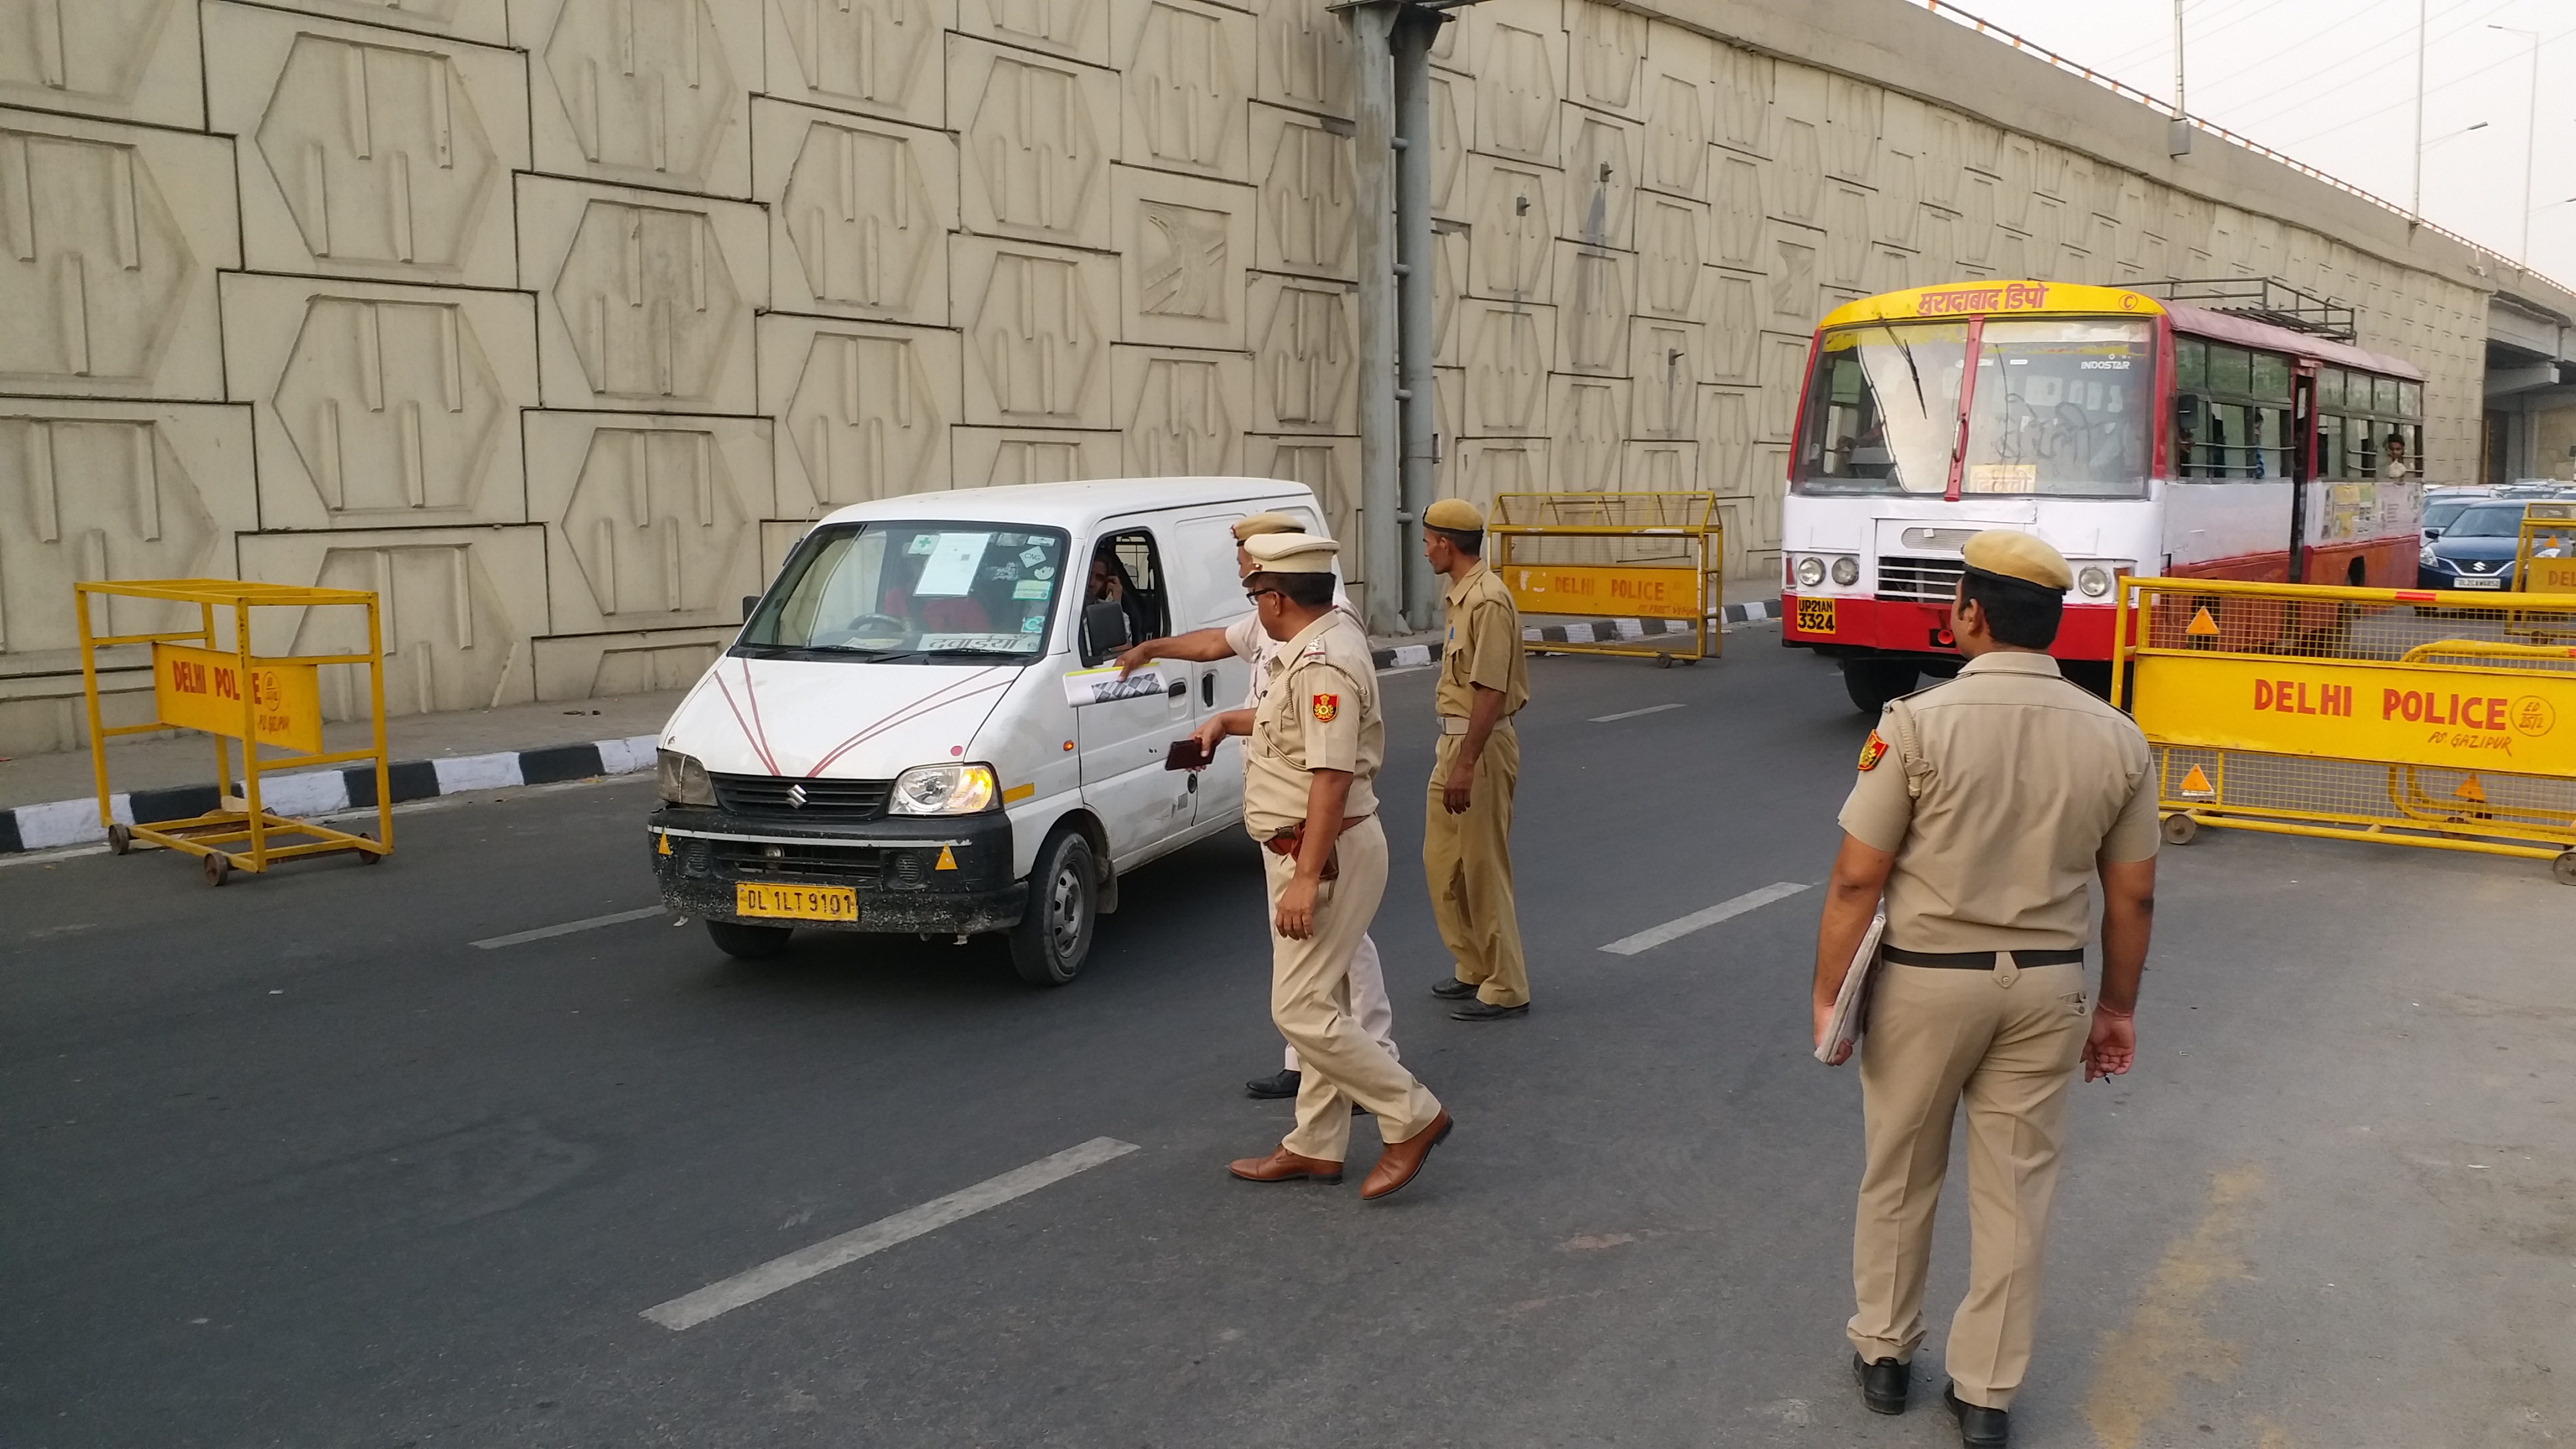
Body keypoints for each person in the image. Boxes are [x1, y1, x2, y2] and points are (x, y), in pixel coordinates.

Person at [1809, 530, 2159, 1449]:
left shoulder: (1915, 724)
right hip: (2046, 989)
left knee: (1899, 1168)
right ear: (2051, 623)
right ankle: (1985, 1395)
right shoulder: (2116, 737)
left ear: (1968, 613)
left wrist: (1829, 996)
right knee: (2014, 1187)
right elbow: (2132, 893)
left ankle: (1884, 1353)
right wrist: (2115, 1008)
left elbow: (1855, 879)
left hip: (1926, 984)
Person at [1114, 514, 1401, 1101]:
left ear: (1275, 580)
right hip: (1291, 826)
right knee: (1313, 976)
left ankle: (1392, 1088)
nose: (1241, 563)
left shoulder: (1321, 646)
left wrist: (1306, 873)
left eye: (1246, 555)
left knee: (1327, 973)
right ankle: (1316, 1109)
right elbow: (1222, 646)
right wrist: (1158, 655)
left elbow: (1331, 775)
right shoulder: (1282, 623)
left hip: (1317, 832)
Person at [1220, 532, 1452, 1200]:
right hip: (1311, 847)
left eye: (1256, 592)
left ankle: (1411, 1115)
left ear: (1272, 598)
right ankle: (1315, 1145)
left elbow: (1330, 778)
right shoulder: (1309, 649)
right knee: (1322, 1001)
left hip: (1324, 853)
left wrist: (1303, 876)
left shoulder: (1322, 663)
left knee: (1297, 1010)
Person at [1418, 498, 1532, 1022]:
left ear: (1445, 543)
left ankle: (1507, 985)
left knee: (1484, 868)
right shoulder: (1460, 596)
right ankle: (1474, 964)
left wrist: (1466, 763)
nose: (1424, 552)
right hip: (1456, 743)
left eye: (1426, 542)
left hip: (1479, 747)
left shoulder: (1488, 600)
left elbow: (1489, 691)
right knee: (1443, 862)